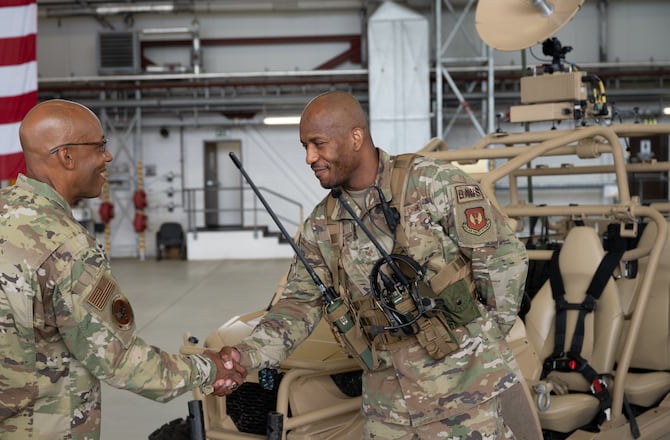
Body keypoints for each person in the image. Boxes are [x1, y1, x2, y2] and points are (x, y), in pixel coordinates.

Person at [0, 99, 246, 439]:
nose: (108, 157)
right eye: (100, 146)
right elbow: (120, 360)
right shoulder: (66, 244)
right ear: (66, 156)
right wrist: (209, 370)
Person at [220, 91, 538, 438]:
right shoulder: (322, 224)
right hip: (388, 407)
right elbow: (298, 306)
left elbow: (502, 257)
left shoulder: (430, 183)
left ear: (355, 137)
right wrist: (243, 357)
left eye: (318, 144)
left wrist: (481, 336)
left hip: (465, 395)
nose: (310, 157)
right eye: (304, 147)